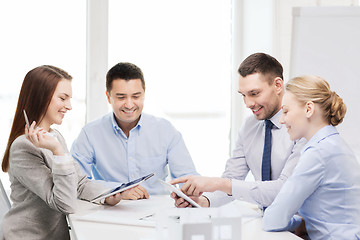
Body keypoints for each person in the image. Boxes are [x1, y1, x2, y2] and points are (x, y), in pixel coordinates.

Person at [1, 65, 126, 240]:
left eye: (69, 99)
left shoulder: (54, 137)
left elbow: (79, 183)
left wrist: (108, 195)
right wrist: (58, 152)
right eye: (63, 98)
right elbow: (64, 203)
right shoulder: (23, 147)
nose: (69, 106)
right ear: (41, 97)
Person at [170, 52, 306, 208]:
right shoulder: (250, 126)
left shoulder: (302, 126)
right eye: (243, 95)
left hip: (299, 227)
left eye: (254, 94)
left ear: (277, 85)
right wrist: (203, 201)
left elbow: (285, 189)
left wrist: (216, 183)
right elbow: (233, 178)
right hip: (267, 222)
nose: (248, 103)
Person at [71, 62, 198, 200]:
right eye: (121, 97)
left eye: (136, 96)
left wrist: (193, 194)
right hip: (109, 211)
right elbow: (76, 182)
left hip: (157, 211)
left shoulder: (165, 130)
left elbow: (187, 178)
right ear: (108, 97)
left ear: (144, 94)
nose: (129, 104)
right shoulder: (90, 133)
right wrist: (118, 190)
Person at [263, 75, 360, 239]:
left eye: (286, 111)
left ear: (309, 109)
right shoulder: (335, 144)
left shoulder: (318, 153)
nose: (281, 120)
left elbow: (273, 219)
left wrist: (299, 222)